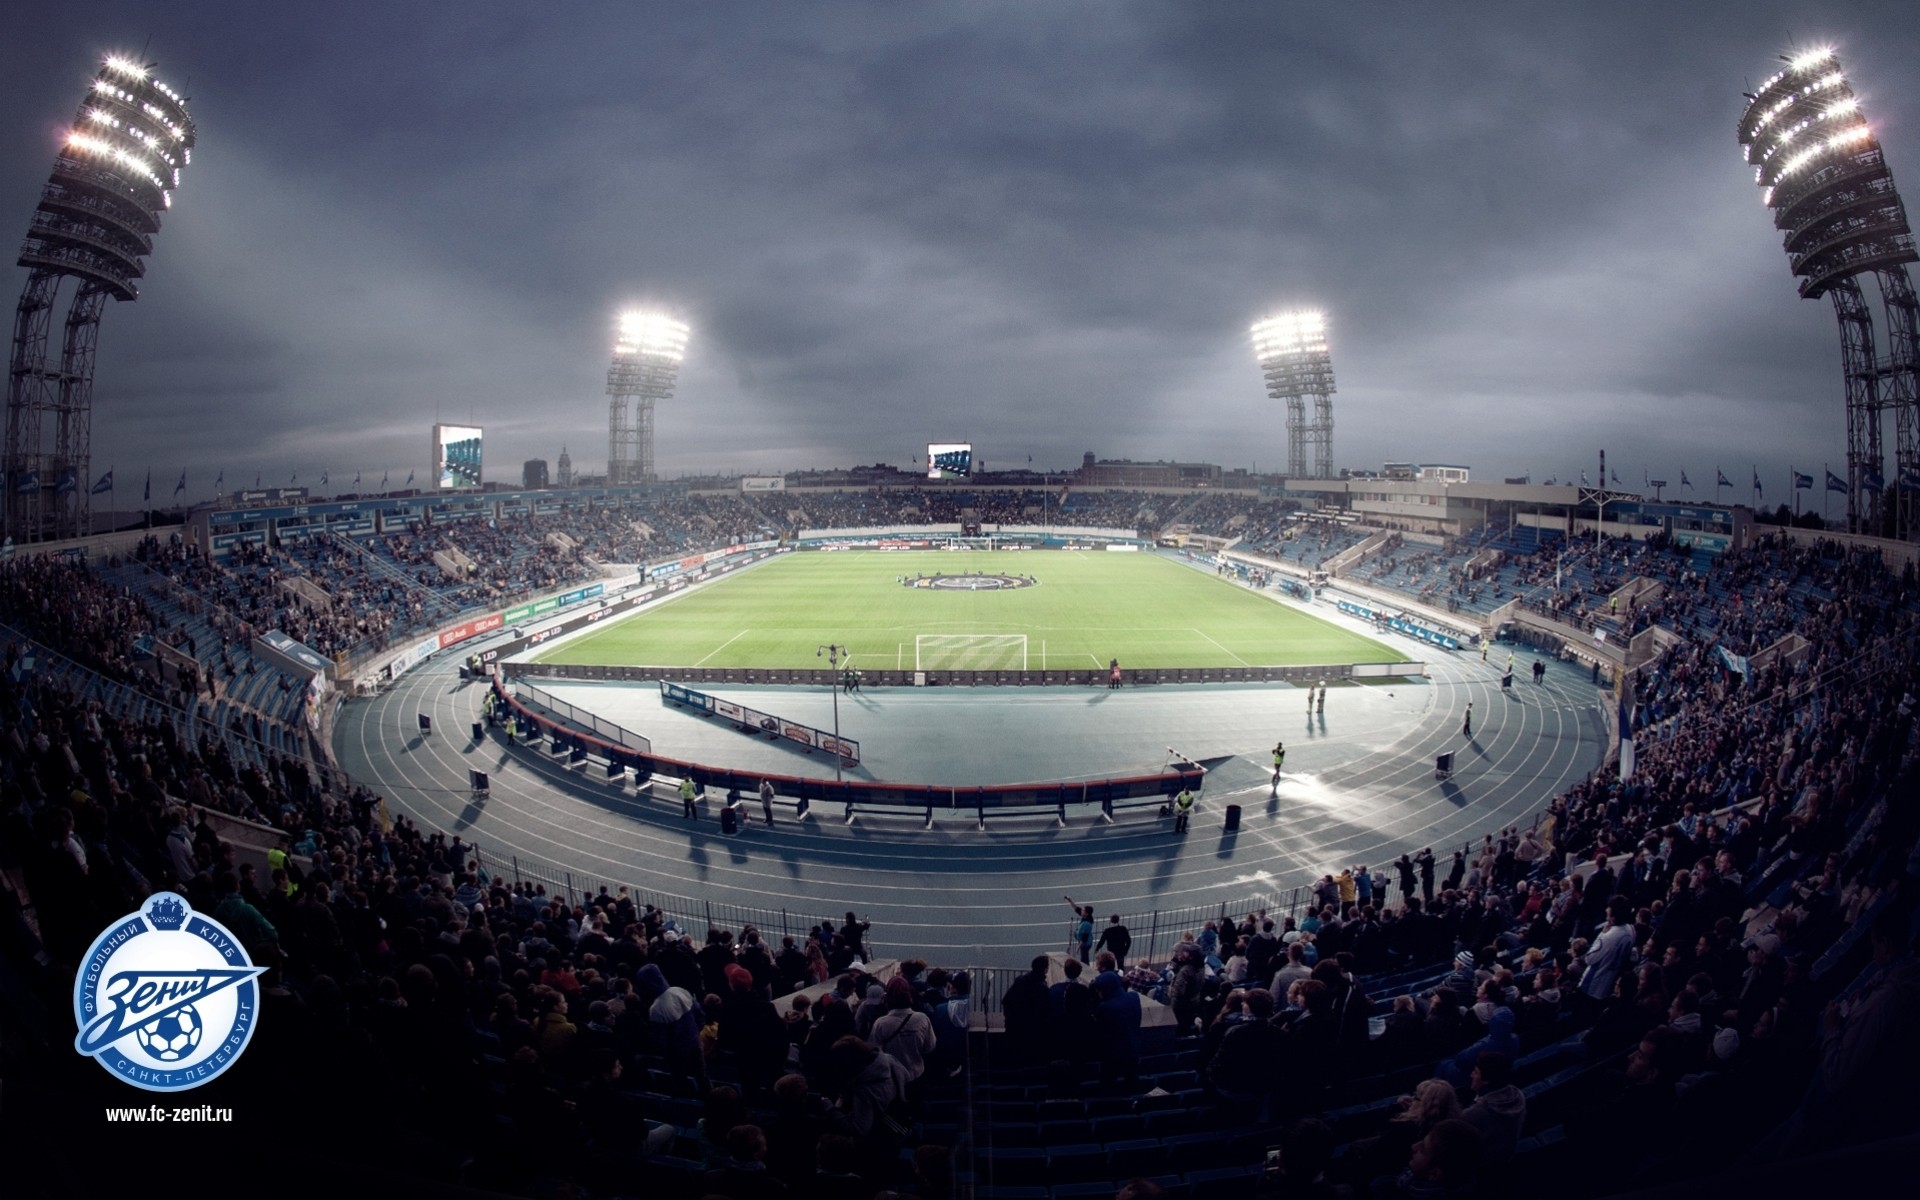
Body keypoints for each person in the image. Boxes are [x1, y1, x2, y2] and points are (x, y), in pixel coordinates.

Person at [1063, 897, 1095, 962]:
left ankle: (1086, 970)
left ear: (1086, 913)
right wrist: (1070, 900)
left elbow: (1084, 938)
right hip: (1084, 942)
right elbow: (1076, 908)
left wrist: (1078, 947)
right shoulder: (1085, 917)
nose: (1081, 911)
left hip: (1085, 944)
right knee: (1084, 957)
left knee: (1084, 959)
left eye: (1083, 910)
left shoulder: (1087, 924)